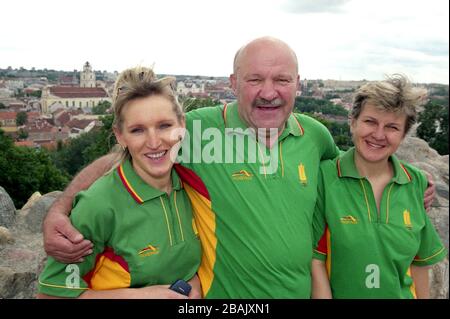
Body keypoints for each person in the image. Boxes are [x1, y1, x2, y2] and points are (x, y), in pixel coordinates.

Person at [42, 37, 435, 298]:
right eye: (255, 79)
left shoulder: (315, 137)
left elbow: (357, 170)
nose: (269, 91)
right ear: (233, 82)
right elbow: (132, 154)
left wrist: (411, 182)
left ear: (298, 83)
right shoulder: (199, 129)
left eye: (281, 79)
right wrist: (60, 209)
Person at [38, 66, 202, 298]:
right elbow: (52, 294)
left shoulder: (191, 186)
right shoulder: (99, 205)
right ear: (120, 136)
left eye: (164, 125)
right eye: (138, 130)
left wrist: (194, 283)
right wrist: (140, 296)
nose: (154, 142)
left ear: (182, 125)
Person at [311, 75, 446, 299]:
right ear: (353, 122)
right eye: (370, 122)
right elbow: (316, 260)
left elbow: (420, 263)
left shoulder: (416, 183)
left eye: (392, 127)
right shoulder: (324, 177)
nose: (379, 135)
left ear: (403, 135)